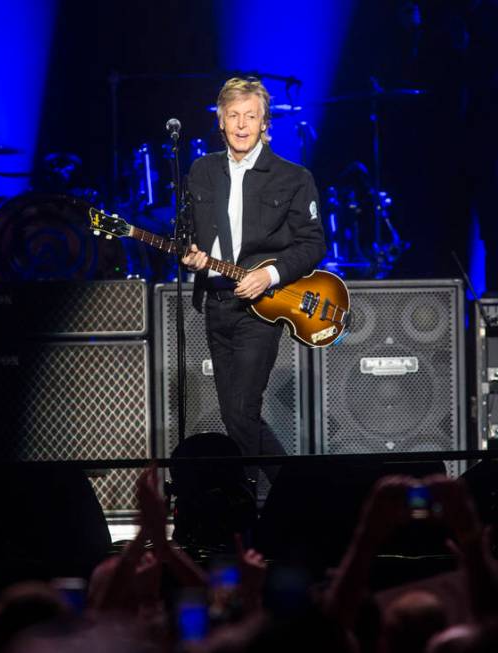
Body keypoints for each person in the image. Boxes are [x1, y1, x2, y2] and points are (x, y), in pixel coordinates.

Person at [180, 77, 326, 485]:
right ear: (221, 122)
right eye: (233, 116)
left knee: (242, 412)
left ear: (265, 123)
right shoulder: (201, 170)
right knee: (234, 417)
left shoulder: (293, 178)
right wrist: (190, 255)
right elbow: (191, 234)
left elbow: (313, 244)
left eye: (251, 116)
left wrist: (269, 274)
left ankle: (296, 495)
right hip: (215, 303)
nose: (242, 125)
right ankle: (261, 504)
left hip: (260, 309)